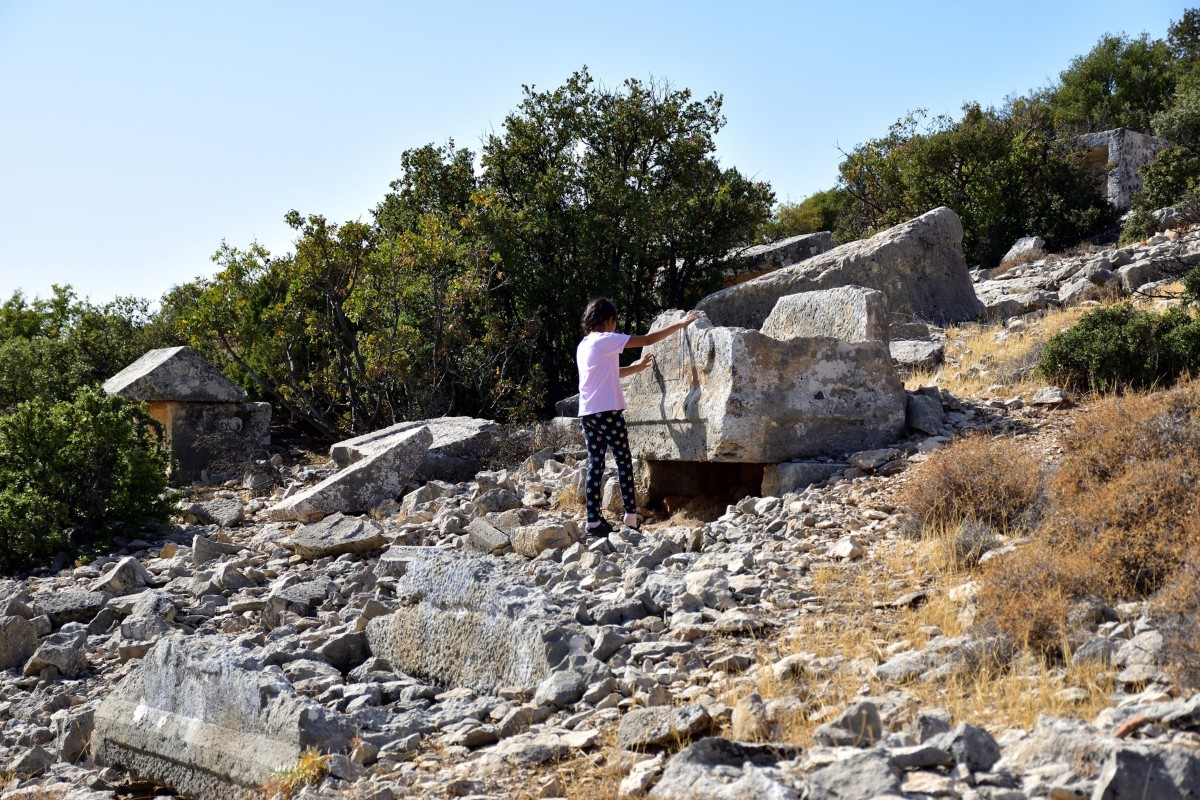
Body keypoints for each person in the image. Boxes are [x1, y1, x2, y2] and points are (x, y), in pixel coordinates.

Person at [576, 298, 699, 535]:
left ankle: (593, 521)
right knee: (623, 462)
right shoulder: (607, 339)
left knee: (595, 465)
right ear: (609, 320)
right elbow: (647, 339)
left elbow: (610, 372)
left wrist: (638, 368)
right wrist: (680, 324)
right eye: (615, 322)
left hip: (588, 414)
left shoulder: (584, 345)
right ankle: (630, 518)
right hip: (608, 412)